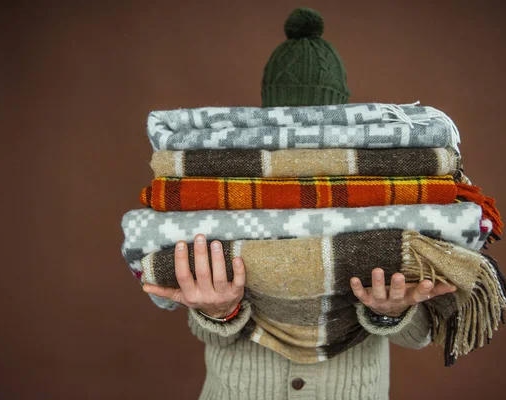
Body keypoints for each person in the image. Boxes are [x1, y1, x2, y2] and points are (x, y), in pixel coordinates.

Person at [142, 8, 456, 400]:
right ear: (266, 119)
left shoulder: (382, 189)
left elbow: (420, 334)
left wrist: (389, 312)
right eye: (287, 125)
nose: (303, 142)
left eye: (319, 126)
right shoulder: (230, 182)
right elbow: (204, 324)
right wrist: (217, 311)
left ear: (342, 119)